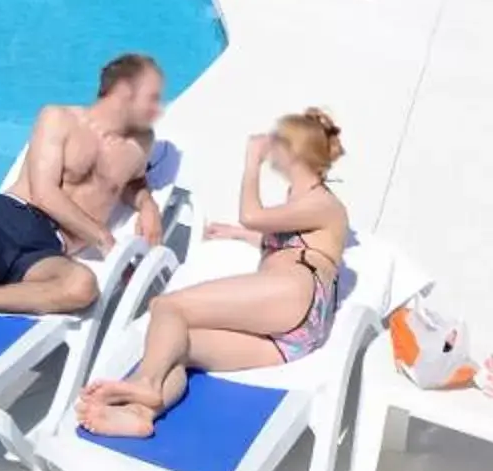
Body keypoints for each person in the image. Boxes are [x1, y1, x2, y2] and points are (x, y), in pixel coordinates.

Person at [77, 113, 351, 436]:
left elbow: (252, 215)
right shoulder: (301, 199)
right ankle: (141, 414)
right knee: (177, 346)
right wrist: (237, 235)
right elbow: (285, 239)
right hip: (291, 336)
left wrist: (252, 164)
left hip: (294, 295)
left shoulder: (323, 202)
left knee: (167, 307)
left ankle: (146, 385)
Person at [0, 54, 166, 369]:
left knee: (82, 287)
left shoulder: (141, 143)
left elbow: (133, 180)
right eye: (151, 97)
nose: (157, 107)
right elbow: (44, 193)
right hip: (9, 215)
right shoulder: (58, 118)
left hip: (50, 249)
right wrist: (104, 239)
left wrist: (147, 204)